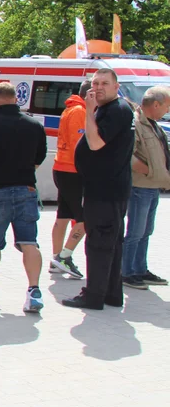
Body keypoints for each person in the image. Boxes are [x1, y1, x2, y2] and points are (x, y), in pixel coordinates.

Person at [0, 82, 48, 314]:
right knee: (29, 242)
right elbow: (40, 157)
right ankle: (34, 291)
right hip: (26, 190)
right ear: (16, 99)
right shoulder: (34, 125)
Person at [65, 68, 136, 309]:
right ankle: (111, 294)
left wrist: (89, 112)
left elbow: (95, 143)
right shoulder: (112, 109)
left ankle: (93, 296)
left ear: (117, 87)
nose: (98, 87)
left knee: (99, 244)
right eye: (95, 83)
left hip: (105, 192)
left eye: (105, 83)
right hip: (107, 190)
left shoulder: (115, 110)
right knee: (111, 244)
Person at [121, 86, 170, 289]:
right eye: (166, 106)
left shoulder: (153, 124)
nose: (167, 111)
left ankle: (140, 269)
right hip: (140, 186)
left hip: (152, 186)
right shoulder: (136, 123)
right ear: (156, 104)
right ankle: (127, 272)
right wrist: (151, 171)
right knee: (135, 232)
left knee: (146, 231)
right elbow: (130, 157)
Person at [49, 80, 91, 279]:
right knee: (85, 219)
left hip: (63, 168)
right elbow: (80, 146)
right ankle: (64, 256)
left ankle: (57, 258)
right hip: (72, 171)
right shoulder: (79, 112)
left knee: (63, 216)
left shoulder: (71, 109)